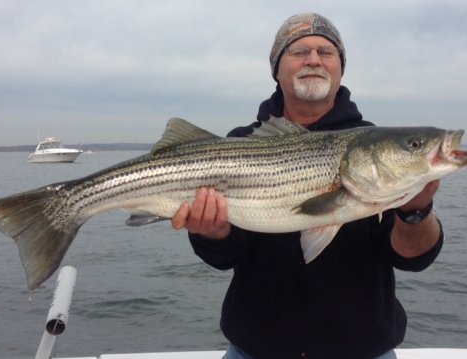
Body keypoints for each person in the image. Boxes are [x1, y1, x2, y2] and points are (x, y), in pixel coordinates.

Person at [172, 12, 443, 359]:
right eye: (299, 51)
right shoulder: (239, 144)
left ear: (340, 68)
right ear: (277, 67)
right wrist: (212, 233)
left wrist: (416, 211)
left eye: (326, 52)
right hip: (256, 350)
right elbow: (229, 256)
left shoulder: (375, 146)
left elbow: (411, 259)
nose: (314, 59)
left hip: (363, 351)